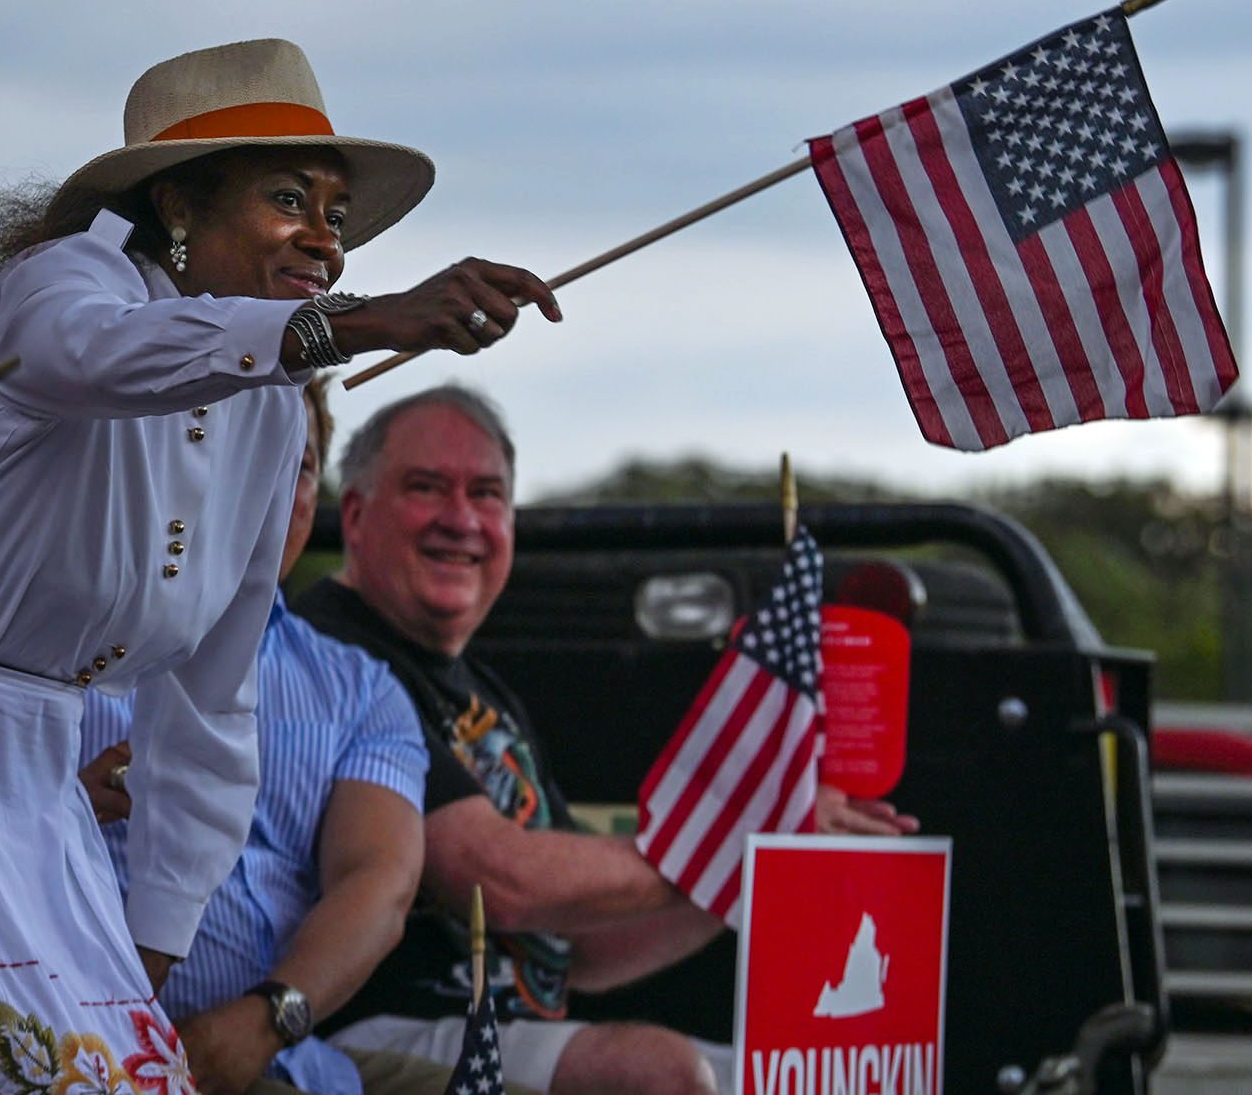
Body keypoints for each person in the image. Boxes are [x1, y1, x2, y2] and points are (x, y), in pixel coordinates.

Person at [0, 38, 559, 1092]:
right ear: (177, 202)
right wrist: (356, 324)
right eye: (289, 198)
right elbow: (92, 356)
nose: (325, 242)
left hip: (27, 795)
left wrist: (139, 972)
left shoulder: (268, 417)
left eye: (335, 217)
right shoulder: (62, 283)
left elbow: (209, 710)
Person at [293, 386, 915, 1095]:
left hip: (505, 1027)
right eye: (427, 487)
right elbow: (500, 882)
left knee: (803, 1079)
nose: (461, 519)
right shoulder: (333, 655)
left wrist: (764, 861)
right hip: (361, 1027)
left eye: (487, 494)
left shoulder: (485, 690)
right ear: (355, 515)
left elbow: (586, 950)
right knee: (663, 1074)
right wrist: (741, 839)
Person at [82, 380, 523, 1095]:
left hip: (287, 1049)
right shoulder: (67, 646)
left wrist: (266, 1020)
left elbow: (377, 883)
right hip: (91, 1039)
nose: (276, 483)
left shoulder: (360, 687)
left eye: (302, 464)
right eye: (253, 449)